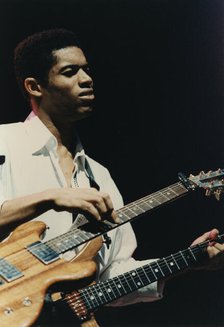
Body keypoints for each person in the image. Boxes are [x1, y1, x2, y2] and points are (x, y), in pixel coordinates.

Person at [0, 28, 223, 326]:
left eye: (87, 69)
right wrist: (50, 198)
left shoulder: (99, 177)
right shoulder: (5, 142)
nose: (87, 79)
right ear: (35, 86)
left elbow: (111, 274)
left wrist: (188, 261)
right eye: (70, 71)